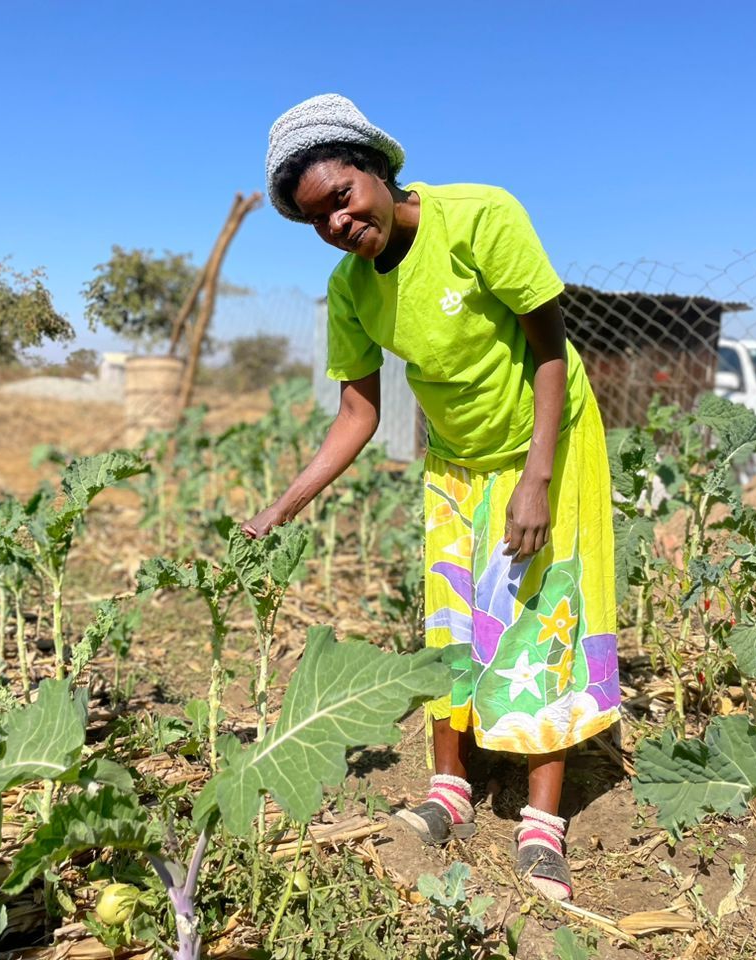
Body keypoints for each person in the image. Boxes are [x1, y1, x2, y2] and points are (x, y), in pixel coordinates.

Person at [242, 93, 620, 901]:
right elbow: (358, 413)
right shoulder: (352, 288)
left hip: (546, 442)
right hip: (453, 458)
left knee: (542, 613)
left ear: (377, 169)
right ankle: (451, 789)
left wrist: (536, 479)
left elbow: (551, 348)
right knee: (452, 618)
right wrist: (283, 505)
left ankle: (541, 821)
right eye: (317, 219)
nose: (337, 223)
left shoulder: (480, 217)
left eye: (342, 197)